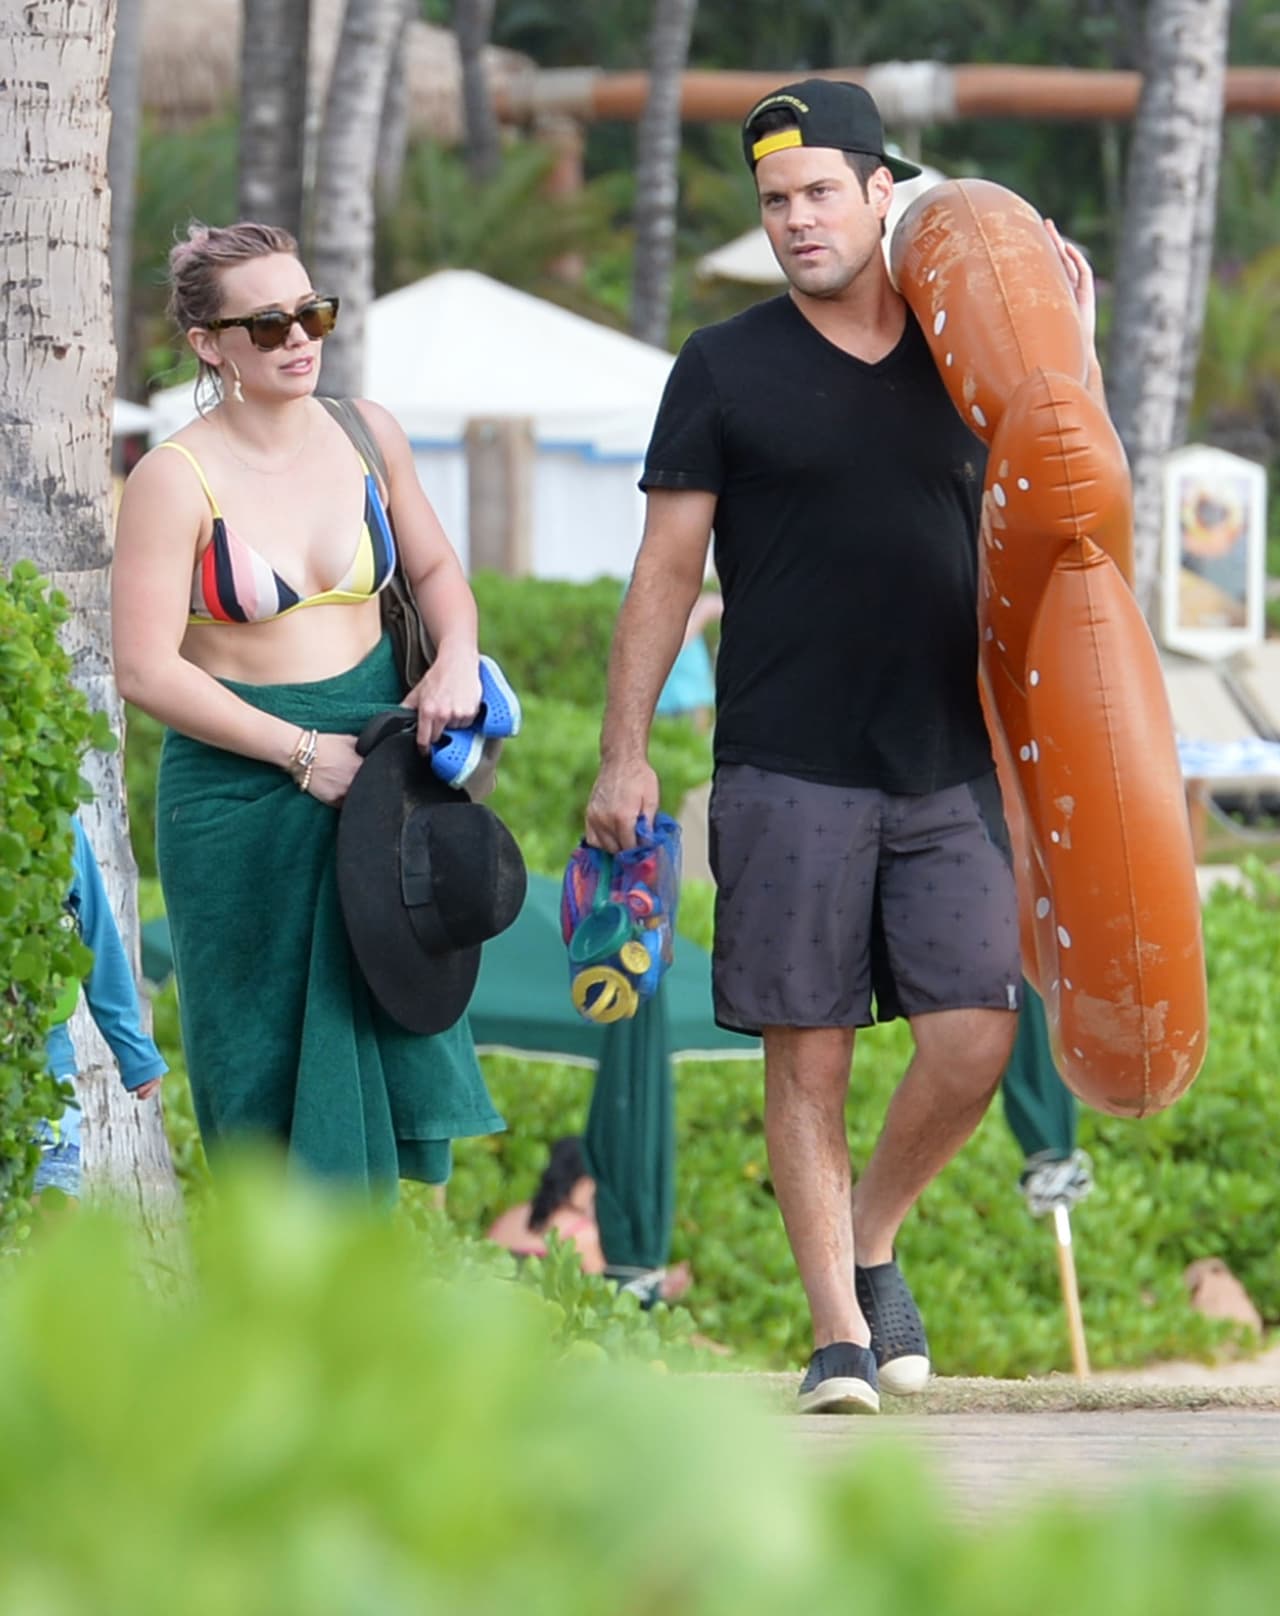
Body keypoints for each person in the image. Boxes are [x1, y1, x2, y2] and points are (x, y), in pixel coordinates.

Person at [585, 81, 1102, 1414]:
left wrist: (1074, 342)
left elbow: (1064, 489)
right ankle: (837, 1336)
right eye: (775, 200)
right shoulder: (723, 366)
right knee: (805, 1050)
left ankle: (875, 1236)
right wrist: (621, 754)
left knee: (974, 1037)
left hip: (946, 758)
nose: (797, 219)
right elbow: (662, 573)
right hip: (784, 759)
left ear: (884, 193)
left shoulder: (964, 353)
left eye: (821, 191)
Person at [111, 221, 504, 1194]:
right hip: (244, 787)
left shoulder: (366, 430)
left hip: (378, 769)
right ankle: (268, 1327)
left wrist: (455, 655)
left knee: (382, 1039)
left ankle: (361, 1329)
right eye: (269, 322)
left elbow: (433, 567)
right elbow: (144, 668)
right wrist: (300, 754)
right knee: (262, 1077)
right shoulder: (173, 476)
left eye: (312, 312)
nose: (299, 336)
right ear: (209, 344)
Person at [36, 816, 167, 1200]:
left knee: (47, 1235)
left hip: (44, 1076)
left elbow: (98, 940)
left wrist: (135, 1050)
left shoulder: (56, 822)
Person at [487, 1136, 692, 1303]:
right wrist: (660, 1289)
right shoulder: (581, 1232)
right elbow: (610, 1296)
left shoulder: (513, 1215)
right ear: (585, 1184)